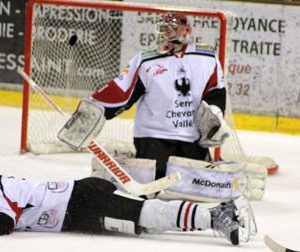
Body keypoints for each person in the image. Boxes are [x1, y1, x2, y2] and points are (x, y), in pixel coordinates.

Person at [0, 160, 254, 246]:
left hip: (83, 201)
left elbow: (2, 225)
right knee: (143, 219)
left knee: (146, 215)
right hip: (78, 213)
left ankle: (218, 214)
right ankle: (214, 217)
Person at [91, 11, 228, 179]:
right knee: (155, 183)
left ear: (185, 31)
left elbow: (216, 92)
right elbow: (122, 91)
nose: (167, 33)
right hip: (153, 136)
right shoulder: (146, 60)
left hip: (191, 138)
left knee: (192, 185)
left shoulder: (208, 58)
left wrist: (215, 112)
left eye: (171, 29)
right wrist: (96, 107)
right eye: (164, 29)